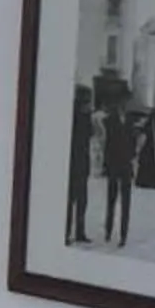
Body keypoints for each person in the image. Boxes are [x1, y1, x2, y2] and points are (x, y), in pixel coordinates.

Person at [99, 94, 134, 247]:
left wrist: (132, 157)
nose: (125, 105)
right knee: (111, 200)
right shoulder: (110, 120)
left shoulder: (130, 121)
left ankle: (123, 234)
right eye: (123, 102)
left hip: (126, 165)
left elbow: (132, 141)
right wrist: (106, 164)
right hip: (114, 164)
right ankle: (108, 230)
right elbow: (107, 143)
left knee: (126, 202)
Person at [66, 85, 94, 244]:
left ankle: (78, 232)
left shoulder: (83, 116)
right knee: (72, 200)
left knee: (80, 201)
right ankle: (69, 232)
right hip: (75, 163)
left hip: (81, 163)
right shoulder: (76, 116)